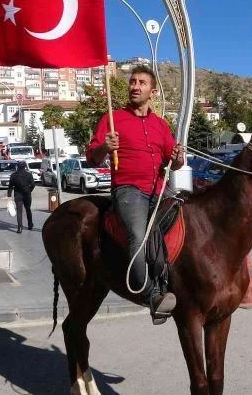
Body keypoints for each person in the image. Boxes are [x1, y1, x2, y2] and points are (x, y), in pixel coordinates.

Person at [86, 65, 183, 324]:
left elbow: (175, 163)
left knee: (190, 226)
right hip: (129, 190)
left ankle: (176, 281)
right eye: (133, 82)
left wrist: (178, 157)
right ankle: (151, 296)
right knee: (138, 236)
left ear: (152, 92)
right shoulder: (112, 118)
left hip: (160, 188)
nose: (135, 86)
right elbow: (93, 158)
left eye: (141, 83)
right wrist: (105, 147)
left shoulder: (161, 125)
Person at [7, 160, 35, 233]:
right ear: (25, 167)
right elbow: (33, 185)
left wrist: (9, 196)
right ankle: (30, 224)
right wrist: (29, 190)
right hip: (27, 194)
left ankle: (19, 228)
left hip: (18, 195)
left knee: (19, 211)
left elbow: (10, 187)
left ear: (18, 167)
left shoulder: (13, 175)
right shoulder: (29, 175)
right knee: (28, 209)